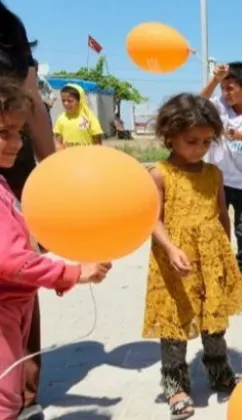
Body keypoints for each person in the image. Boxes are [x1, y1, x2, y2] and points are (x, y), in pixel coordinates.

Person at [0, 81, 111, 420]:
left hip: (17, 303)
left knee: (12, 387)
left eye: (19, 132)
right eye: (5, 131)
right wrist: (73, 273)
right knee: (3, 398)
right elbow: (10, 261)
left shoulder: (3, 183)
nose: (17, 142)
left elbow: (19, 236)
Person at [143, 93, 242, 419]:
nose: (199, 148)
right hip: (174, 261)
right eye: (191, 141)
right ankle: (175, 384)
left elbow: (222, 215)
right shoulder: (159, 174)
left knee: (213, 320)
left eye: (206, 142)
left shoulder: (213, 174)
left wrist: (226, 253)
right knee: (176, 321)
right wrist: (171, 248)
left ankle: (219, 372)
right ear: (169, 135)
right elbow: (152, 218)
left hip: (211, 257)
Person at [0, 5, 59, 420]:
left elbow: (31, 100)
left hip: (11, 165)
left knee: (17, 270)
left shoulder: (7, 27)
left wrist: (53, 177)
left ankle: (20, 394)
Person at [201, 62, 242, 294]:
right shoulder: (219, 106)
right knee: (216, 226)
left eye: (230, 88)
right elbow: (199, 103)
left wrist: (240, 136)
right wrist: (214, 79)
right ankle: (217, 268)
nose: (225, 94)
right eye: (223, 88)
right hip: (218, 181)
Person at [53, 84, 103, 148]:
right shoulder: (61, 119)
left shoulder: (89, 118)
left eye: (70, 101)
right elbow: (58, 143)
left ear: (80, 101)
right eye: (63, 100)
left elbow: (98, 143)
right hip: (68, 156)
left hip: (87, 156)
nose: (66, 103)